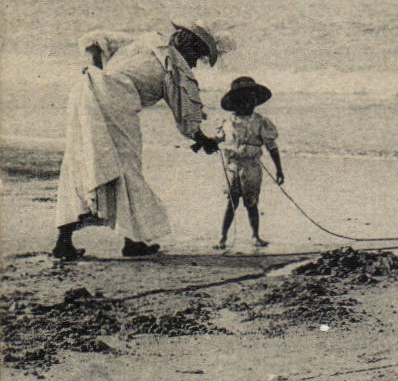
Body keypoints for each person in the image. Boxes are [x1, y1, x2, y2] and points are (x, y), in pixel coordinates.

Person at [52, 22, 227, 261]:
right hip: (116, 102)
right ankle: (132, 242)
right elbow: (186, 117)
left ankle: (64, 243)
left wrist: (97, 73)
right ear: (190, 47)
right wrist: (204, 140)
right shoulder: (176, 69)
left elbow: (94, 39)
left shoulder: (147, 40)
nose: (196, 62)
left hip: (86, 91)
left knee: (79, 161)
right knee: (126, 168)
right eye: (199, 55)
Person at [213, 76, 283, 249]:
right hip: (232, 167)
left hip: (251, 167)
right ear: (235, 102)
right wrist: (203, 142)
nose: (246, 103)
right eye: (242, 99)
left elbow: (272, 147)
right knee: (231, 203)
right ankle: (222, 238)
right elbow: (216, 139)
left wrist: (279, 170)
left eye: (250, 99)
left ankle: (255, 236)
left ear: (255, 101)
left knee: (251, 203)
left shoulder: (261, 122)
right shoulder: (227, 122)